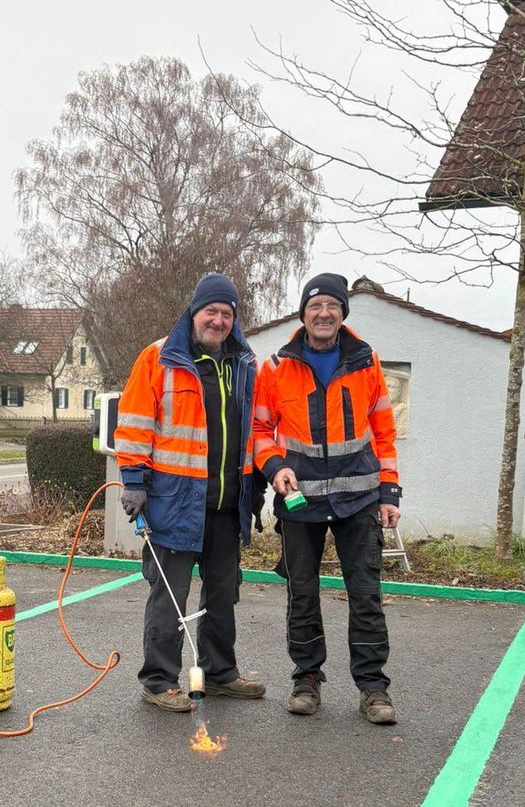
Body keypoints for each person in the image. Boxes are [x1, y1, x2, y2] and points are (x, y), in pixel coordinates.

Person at [252, 272, 402, 723]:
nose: (324, 313)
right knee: (302, 593)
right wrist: (276, 468)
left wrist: (389, 489)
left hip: (359, 498)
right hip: (302, 502)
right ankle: (307, 680)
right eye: (315, 306)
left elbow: (384, 431)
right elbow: (259, 431)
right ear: (303, 314)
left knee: (366, 594)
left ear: (342, 313)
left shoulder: (366, 362)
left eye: (332, 306)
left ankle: (373, 688)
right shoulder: (276, 367)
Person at [116, 272, 267, 711]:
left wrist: (255, 486)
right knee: (170, 594)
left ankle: (221, 674)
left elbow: (252, 430)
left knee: (223, 593)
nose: (218, 320)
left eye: (226, 313)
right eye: (211, 311)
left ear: (233, 319)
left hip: (225, 503)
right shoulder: (159, 357)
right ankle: (159, 680)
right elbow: (134, 425)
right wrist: (134, 481)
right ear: (194, 311)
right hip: (174, 501)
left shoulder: (244, 364)